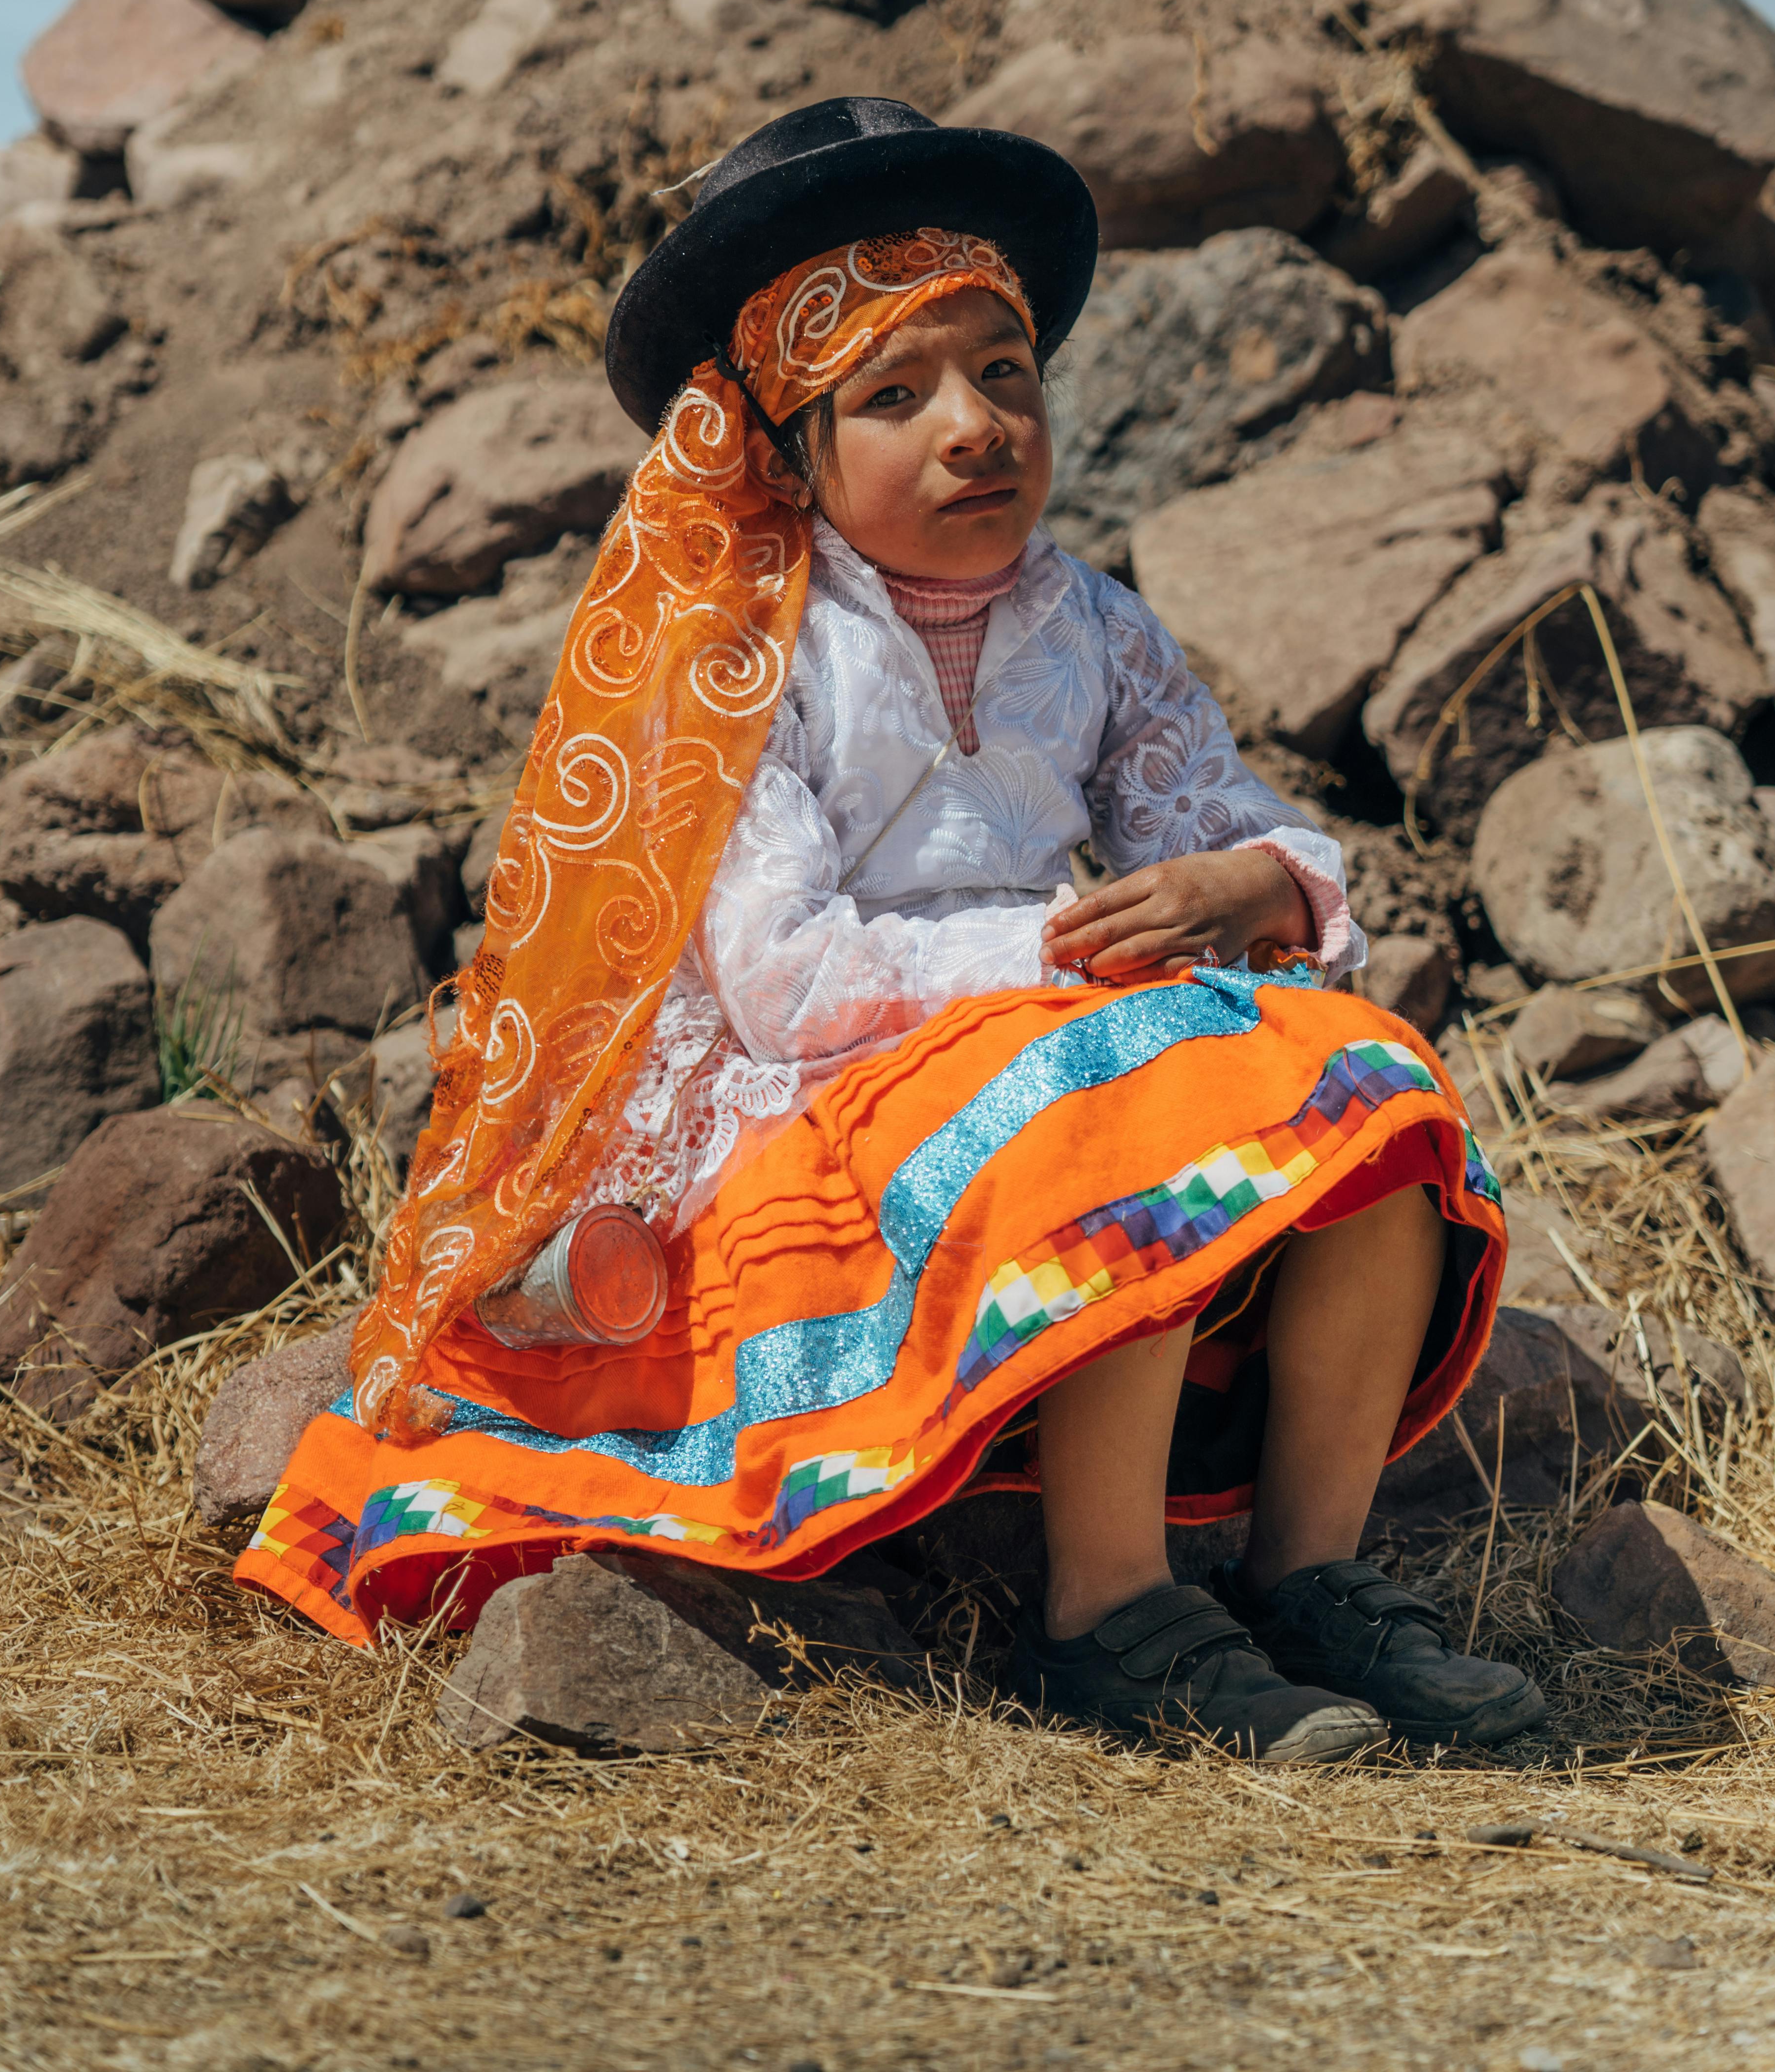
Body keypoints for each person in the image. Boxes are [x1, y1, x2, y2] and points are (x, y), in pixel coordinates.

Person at [240, 96, 1543, 1759]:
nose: (975, 426)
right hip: (827, 1108)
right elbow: (789, 983)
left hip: (1060, 1046)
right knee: (1117, 1088)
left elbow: (1216, 827)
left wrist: (1266, 888)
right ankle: (1112, 1614)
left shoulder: (1095, 630)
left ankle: (1313, 1578)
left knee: (1374, 1081)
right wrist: (1068, 957)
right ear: (786, 452)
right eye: (894, 394)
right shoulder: (732, 665)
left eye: (1006, 373)